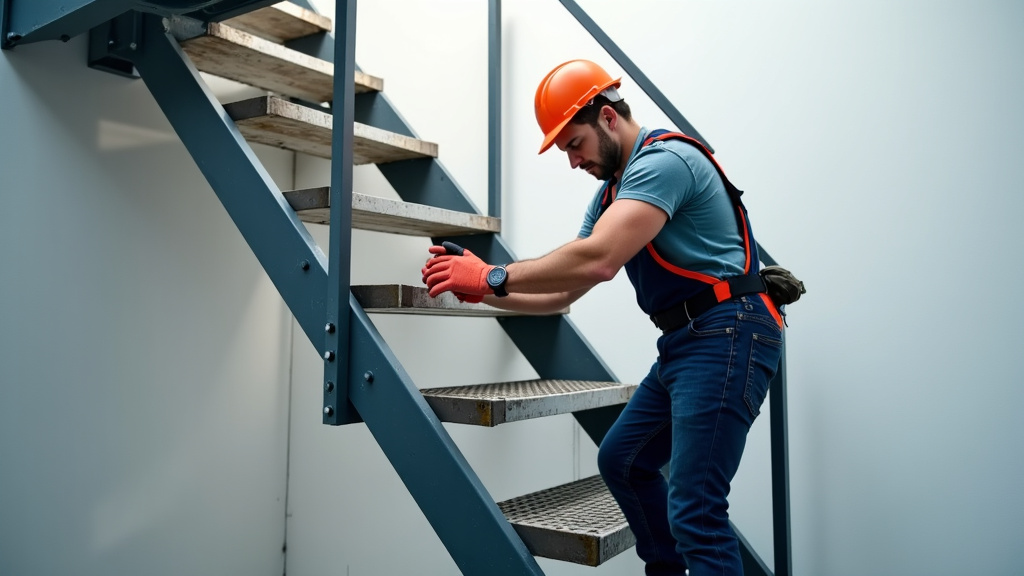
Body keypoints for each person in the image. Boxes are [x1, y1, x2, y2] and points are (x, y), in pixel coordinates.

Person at [421, 59, 784, 576]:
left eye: (574, 144)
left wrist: (492, 276)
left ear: (609, 118)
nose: (572, 161)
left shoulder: (665, 163)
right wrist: (484, 293)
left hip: (729, 332)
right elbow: (564, 292)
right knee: (624, 461)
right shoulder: (612, 194)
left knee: (697, 510)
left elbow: (600, 259)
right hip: (688, 342)